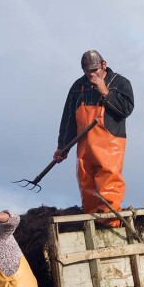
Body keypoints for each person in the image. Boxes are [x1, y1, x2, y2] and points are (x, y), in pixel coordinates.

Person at [53, 50, 135, 227]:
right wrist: (63, 147)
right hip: (84, 147)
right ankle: (92, 224)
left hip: (110, 146)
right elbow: (68, 118)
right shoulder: (77, 87)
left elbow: (126, 110)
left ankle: (111, 226)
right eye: (87, 71)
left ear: (104, 65)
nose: (91, 74)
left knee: (108, 184)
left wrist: (105, 92)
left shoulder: (120, 83)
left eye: (94, 70)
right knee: (86, 185)